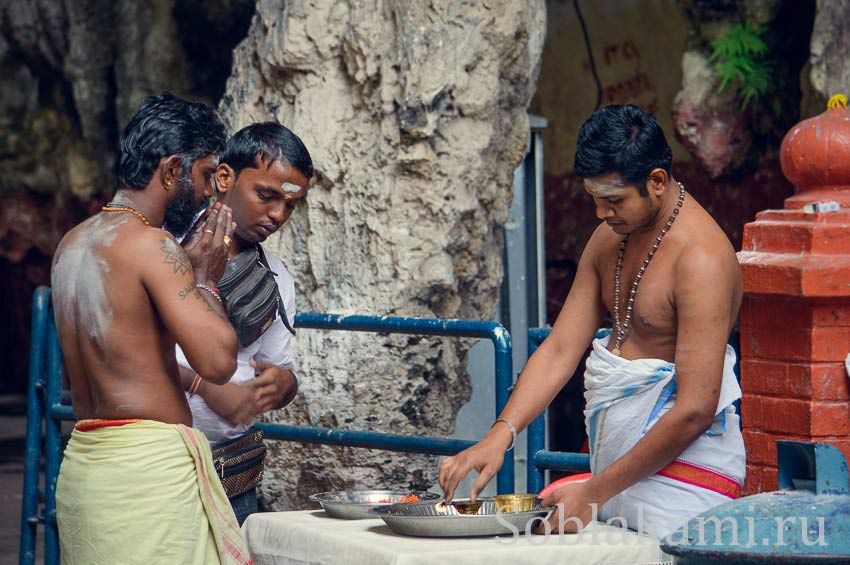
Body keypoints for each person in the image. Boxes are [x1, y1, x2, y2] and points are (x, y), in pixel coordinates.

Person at [438, 104, 746, 538]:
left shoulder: (702, 259)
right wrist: (500, 435)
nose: (601, 213)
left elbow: (695, 410)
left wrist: (593, 492)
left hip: (686, 482)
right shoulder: (610, 237)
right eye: (594, 199)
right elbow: (562, 348)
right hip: (614, 477)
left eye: (614, 200)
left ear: (656, 181)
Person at [51, 92, 250, 564]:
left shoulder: (70, 244)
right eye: (204, 176)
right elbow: (218, 362)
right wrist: (205, 280)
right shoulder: (152, 244)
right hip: (148, 479)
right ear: (170, 170)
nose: (207, 193)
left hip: (86, 468)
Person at [175, 122, 312, 525]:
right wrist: (205, 387)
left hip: (230, 477)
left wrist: (285, 385)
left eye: (290, 205)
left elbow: (279, 367)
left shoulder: (277, 277)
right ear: (224, 177)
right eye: (266, 195)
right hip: (161, 465)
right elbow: (127, 353)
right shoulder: (166, 247)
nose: (277, 214)